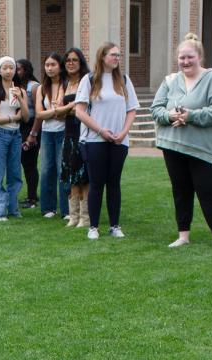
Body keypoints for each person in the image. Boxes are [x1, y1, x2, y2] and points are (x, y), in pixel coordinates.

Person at [152, 34, 212, 251]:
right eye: (182, 58)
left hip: (204, 149)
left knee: (208, 191)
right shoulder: (170, 81)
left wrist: (191, 116)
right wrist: (170, 116)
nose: (185, 62)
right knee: (181, 191)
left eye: (190, 57)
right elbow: (155, 109)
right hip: (173, 146)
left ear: (200, 57)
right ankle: (183, 236)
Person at [75, 43, 138, 239]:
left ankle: (114, 226)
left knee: (114, 183)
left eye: (119, 55)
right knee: (96, 183)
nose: (117, 58)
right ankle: (93, 227)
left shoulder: (124, 80)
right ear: (102, 56)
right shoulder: (89, 79)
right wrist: (100, 130)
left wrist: (124, 132)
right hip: (95, 140)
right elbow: (80, 111)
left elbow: (131, 109)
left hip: (119, 141)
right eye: (113, 55)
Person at [0, 56, 29, 221]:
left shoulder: (20, 91)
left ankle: (13, 209)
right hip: (0, 135)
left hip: (16, 135)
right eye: (5, 68)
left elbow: (25, 117)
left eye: (12, 67)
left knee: (15, 174)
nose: (9, 71)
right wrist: (12, 118)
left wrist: (20, 98)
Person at [35, 53, 70, 219]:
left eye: (53, 64)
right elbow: (38, 114)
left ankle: (66, 210)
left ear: (60, 66)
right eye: (47, 65)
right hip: (47, 133)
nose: (49, 68)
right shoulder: (42, 88)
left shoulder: (67, 85)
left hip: (63, 131)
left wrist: (56, 113)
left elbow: (66, 113)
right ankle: (48, 208)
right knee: (47, 170)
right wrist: (56, 111)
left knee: (62, 169)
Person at [59, 47, 89, 227]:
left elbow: (83, 109)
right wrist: (70, 107)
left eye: (75, 60)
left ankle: (85, 218)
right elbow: (58, 113)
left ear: (81, 63)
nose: (71, 63)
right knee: (71, 174)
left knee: (83, 174)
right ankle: (74, 216)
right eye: (68, 60)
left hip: (82, 132)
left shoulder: (87, 81)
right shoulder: (65, 84)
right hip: (68, 133)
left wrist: (68, 108)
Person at [15, 59, 40, 210]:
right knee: (23, 163)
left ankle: (32, 197)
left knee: (30, 163)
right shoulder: (17, 87)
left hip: (31, 126)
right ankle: (29, 195)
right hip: (19, 126)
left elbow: (38, 113)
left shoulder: (34, 87)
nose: (15, 72)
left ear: (26, 70)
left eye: (18, 69)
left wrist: (33, 134)